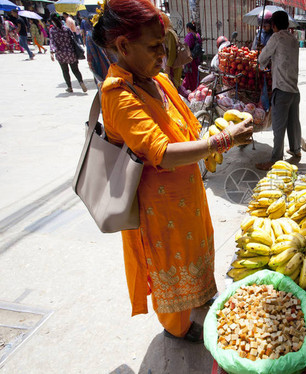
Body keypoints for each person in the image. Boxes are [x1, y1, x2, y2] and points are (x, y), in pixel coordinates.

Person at [91, 0, 254, 340]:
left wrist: (214, 134)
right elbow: (162, 153)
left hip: (187, 192)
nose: (161, 56)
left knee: (197, 249)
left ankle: (199, 295)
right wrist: (224, 141)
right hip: (158, 209)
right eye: (153, 47)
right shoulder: (118, 95)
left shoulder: (157, 79)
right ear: (123, 46)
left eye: (162, 46)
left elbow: (182, 123)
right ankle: (176, 328)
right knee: (172, 264)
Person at [255, 11, 301, 170]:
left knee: (279, 126)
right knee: (294, 122)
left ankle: (275, 160)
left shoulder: (276, 37)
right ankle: (296, 150)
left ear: (273, 25)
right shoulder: (294, 39)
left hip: (281, 89)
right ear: (287, 25)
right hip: (294, 89)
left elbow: (262, 60)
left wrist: (262, 55)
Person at [49, 14, 87, 93]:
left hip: (61, 54)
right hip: (71, 53)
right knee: (75, 70)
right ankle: (81, 82)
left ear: (52, 21)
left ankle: (69, 87)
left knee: (65, 71)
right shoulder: (67, 29)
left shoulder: (52, 30)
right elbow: (73, 40)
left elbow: (52, 42)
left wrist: (52, 52)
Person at [83, 15, 114, 84]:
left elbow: (89, 51)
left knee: (102, 81)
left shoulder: (89, 35)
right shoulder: (106, 32)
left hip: (98, 62)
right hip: (111, 60)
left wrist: (89, 62)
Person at [181, 22, 202, 91]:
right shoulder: (197, 35)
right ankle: (197, 89)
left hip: (190, 60)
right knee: (195, 76)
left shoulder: (189, 35)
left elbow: (186, 48)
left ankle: (189, 90)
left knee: (189, 76)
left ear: (188, 28)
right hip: (196, 60)